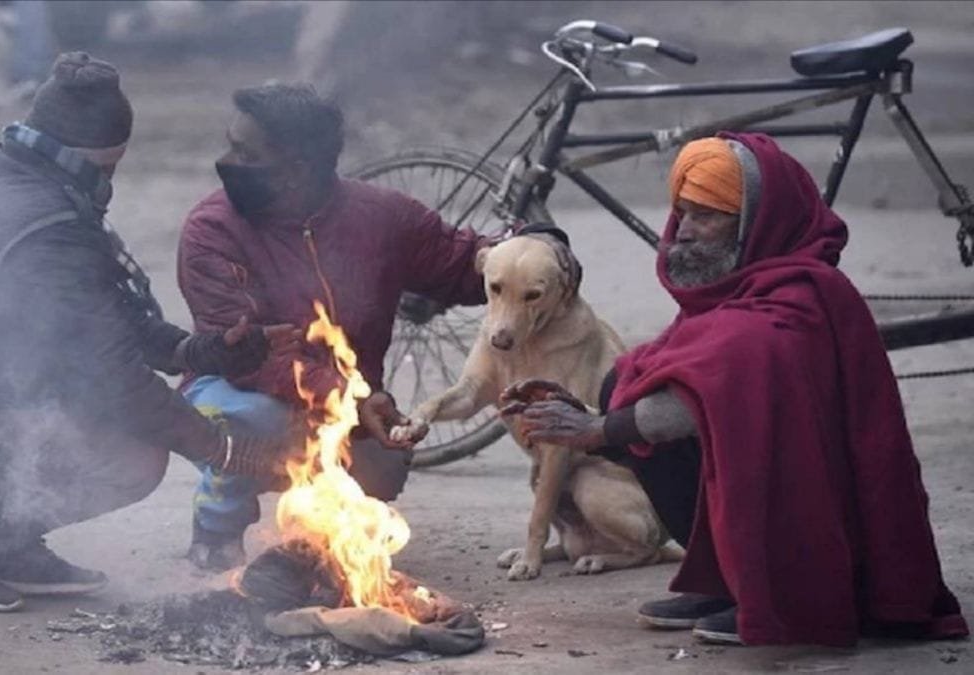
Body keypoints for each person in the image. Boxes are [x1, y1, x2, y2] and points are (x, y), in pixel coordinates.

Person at [0, 53, 297, 613]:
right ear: (98, 159)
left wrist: (207, 352)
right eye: (110, 168)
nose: (109, 182)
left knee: (87, 402)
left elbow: (106, 317)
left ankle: (2, 543)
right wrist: (225, 450)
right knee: (131, 453)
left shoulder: (18, 174)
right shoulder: (49, 222)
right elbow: (116, 379)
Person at [501, 133, 969, 647]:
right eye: (681, 213)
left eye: (706, 216)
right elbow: (681, 377)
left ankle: (779, 595)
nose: (683, 231)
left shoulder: (800, 297)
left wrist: (597, 430)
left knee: (639, 408)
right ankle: (729, 580)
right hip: (764, 471)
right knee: (626, 381)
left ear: (757, 223)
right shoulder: (741, 284)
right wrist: (594, 413)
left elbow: (712, 393)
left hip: (816, 514)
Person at [177, 83, 488, 570]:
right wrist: (350, 398)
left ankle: (311, 538)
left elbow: (461, 262)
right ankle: (217, 526)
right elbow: (248, 358)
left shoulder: (382, 217)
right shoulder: (212, 229)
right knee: (256, 419)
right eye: (230, 146)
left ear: (296, 169)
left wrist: (530, 248)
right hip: (234, 392)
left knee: (381, 469)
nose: (226, 161)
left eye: (245, 153)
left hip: (345, 404)